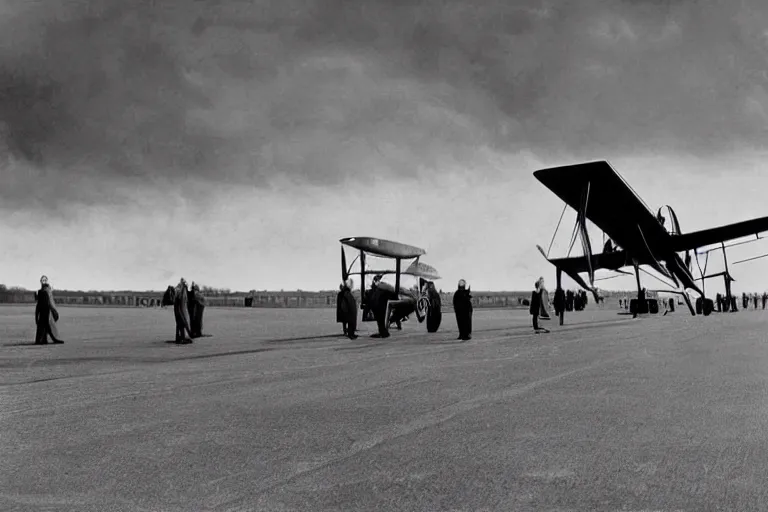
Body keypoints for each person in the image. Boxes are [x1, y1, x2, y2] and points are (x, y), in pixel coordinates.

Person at [35, 275, 64, 344]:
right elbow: (43, 303)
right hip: (45, 311)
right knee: (46, 325)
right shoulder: (44, 292)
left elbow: (46, 303)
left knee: (45, 325)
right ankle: (45, 339)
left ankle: (43, 339)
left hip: (45, 311)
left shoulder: (45, 292)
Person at [173, 278, 194, 344]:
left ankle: (179, 337)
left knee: (179, 323)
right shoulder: (181, 289)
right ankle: (182, 337)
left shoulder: (180, 289)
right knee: (182, 322)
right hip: (181, 309)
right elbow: (181, 299)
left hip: (180, 308)